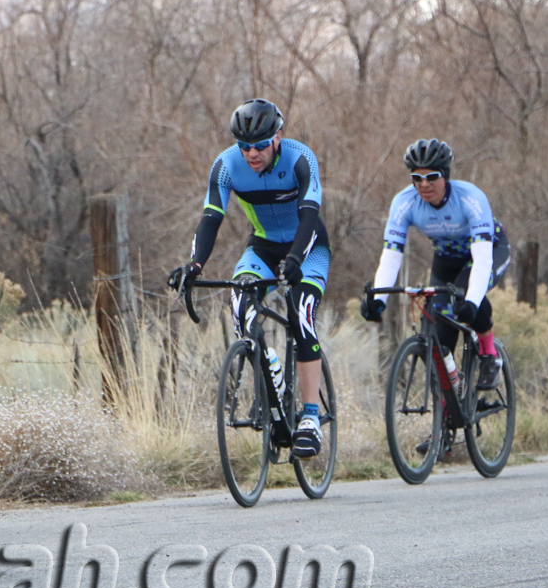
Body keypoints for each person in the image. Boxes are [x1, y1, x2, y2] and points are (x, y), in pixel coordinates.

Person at [168, 98, 331, 458]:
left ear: (278, 137)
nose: (251, 153)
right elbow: (211, 218)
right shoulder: (226, 165)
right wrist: (195, 265)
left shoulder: (300, 158)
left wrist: (294, 259)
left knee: (302, 316)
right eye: (244, 146)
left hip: (308, 246)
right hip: (262, 248)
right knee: (240, 308)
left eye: (259, 145)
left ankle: (309, 418)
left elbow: (308, 216)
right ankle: (270, 371)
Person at [361, 139, 509, 393]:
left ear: (446, 176)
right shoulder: (404, 202)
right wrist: (379, 297)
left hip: (489, 250)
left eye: (432, 176)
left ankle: (488, 353)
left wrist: (472, 303)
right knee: (439, 338)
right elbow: (391, 255)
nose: (424, 184)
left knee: (466, 295)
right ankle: (448, 413)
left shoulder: (471, 198)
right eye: (417, 178)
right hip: (446, 259)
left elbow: (482, 259)